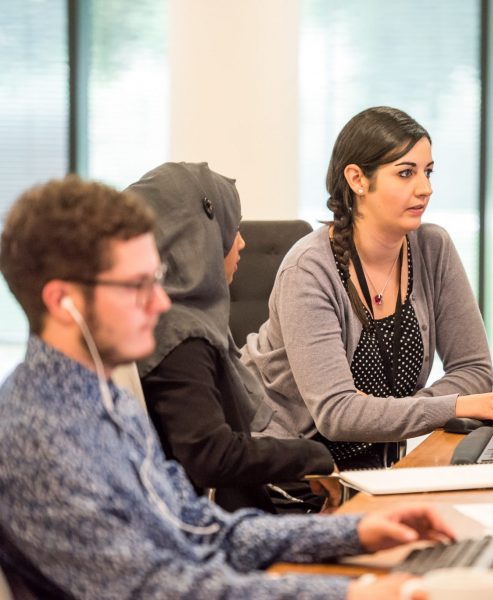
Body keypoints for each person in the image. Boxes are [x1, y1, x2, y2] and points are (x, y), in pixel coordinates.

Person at [0, 175, 453, 599]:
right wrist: (345, 593)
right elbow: (161, 588)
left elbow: (200, 527)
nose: (160, 302)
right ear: (63, 302)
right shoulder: (39, 436)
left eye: (155, 280)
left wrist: (352, 532)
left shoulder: (106, 401)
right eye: (137, 285)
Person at [241, 106, 493, 469]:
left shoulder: (432, 248)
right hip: (295, 474)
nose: (425, 189)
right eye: (405, 173)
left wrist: (388, 412)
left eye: (428, 172)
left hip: (377, 468)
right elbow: (337, 414)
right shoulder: (309, 270)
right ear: (357, 180)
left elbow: (474, 369)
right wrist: (453, 405)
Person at [129, 162, 337, 514]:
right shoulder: (180, 336)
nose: (241, 242)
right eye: (232, 228)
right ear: (197, 237)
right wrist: (312, 457)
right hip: (219, 530)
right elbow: (210, 456)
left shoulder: (174, 321)